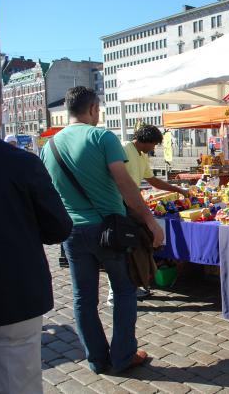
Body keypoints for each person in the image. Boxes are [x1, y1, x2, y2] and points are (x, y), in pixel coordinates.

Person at [41, 86, 164, 374]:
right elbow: (125, 184)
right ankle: (123, 357)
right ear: (94, 108)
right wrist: (150, 221)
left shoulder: (50, 146)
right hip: (109, 230)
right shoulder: (101, 136)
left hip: (72, 232)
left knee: (83, 298)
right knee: (123, 291)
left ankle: (96, 359)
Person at [0, 76, 73, 393]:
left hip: (14, 296)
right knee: (19, 385)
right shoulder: (19, 164)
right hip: (13, 294)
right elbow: (58, 228)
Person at [106, 124, 188, 305]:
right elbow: (117, 179)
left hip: (131, 206)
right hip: (120, 206)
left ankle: (131, 285)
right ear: (146, 141)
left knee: (132, 247)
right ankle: (114, 293)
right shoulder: (124, 149)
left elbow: (152, 180)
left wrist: (176, 189)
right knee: (120, 247)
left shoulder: (141, 156)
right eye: (154, 144)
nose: (154, 148)